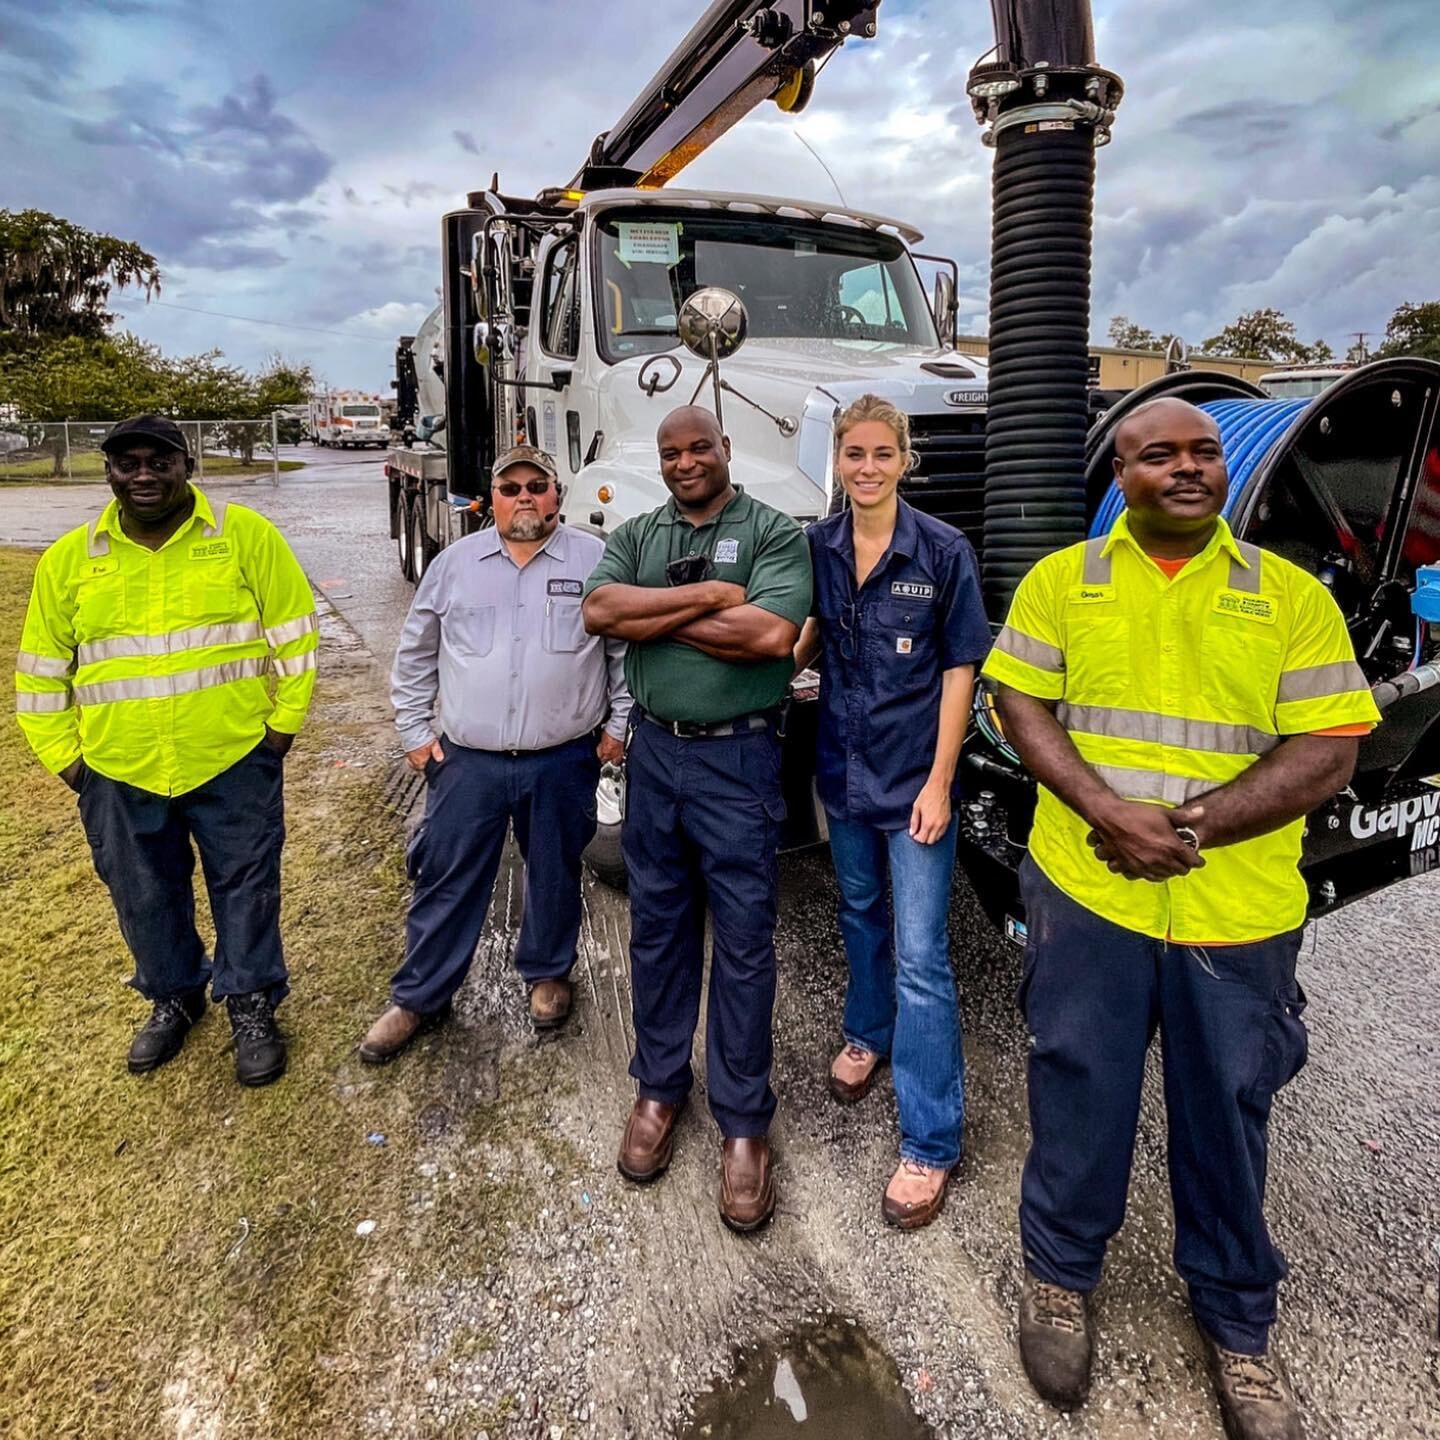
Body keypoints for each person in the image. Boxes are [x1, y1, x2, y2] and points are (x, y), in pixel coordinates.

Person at [983, 397, 1379, 1438]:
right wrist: (1110, 813)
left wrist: (1185, 828)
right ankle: (1060, 1277)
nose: (1190, 468)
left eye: (1205, 451)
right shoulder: (1063, 582)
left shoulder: (1287, 596)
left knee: (1227, 1114)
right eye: (1161, 454)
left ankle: (1239, 1327)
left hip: (1232, 912)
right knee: (1078, 1088)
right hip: (1089, 896)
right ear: (1122, 471)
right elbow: (1019, 703)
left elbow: (1330, 747)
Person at [15, 414, 318, 1086]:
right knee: (144, 897)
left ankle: (250, 1000)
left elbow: (296, 636)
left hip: (233, 759)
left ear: (188, 466)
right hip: (119, 772)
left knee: (246, 887)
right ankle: (173, 994)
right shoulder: (71, 560)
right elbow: (39, 676)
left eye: (160, 461)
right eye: (129, 464)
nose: (144, 475)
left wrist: (281, 730)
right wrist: (72, 764)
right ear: (109, 473)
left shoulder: (243, 537)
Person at [582, 406, 812, 1233]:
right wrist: (712, 596)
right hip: (654, 756)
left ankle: (745, 1125)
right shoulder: (639, 529)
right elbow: (602, 612)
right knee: (659, 929)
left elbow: (771, 634)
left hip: (738, 761)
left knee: (746, 944)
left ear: (726, 450)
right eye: (672, 452)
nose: (685, 463)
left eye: (699, 448)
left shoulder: (774, 532)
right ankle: (659, 1089)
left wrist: (664, 612)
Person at [362, 445, 630, 1060]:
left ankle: (547, 972)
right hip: (468, 762)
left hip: (563, 758)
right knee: (448, 876)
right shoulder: (455, 564)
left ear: (557, 494)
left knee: (556, 874)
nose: (525, 497)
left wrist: (619, 726)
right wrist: (414, 734)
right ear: (494, 498)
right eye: (511, 488)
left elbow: (620, 655)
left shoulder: (596, 561)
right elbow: (416, 654)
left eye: (539, 485)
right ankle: (419, 996)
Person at [794, 395, 991, 1229]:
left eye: (881, 453)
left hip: (914, 783)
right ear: (835, 461)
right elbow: (798, 642)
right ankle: (866, 1035)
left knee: (921, 953)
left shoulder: (943, 551)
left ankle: (930, 1140)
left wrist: (941, 782)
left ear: (904, 460)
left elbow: (960, 670)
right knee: (861, 915)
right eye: (852, 454)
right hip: (842, 777)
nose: (866, 468)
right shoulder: (816, 547)